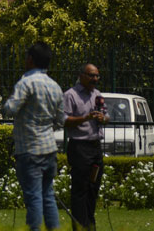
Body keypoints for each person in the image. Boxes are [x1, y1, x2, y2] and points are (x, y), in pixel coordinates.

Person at [3, 42, 66, 231]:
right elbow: (61, 119)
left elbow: (10, 109)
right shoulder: (55, 86)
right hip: (49, 148)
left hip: (29, 149)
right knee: (48, 196)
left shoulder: (26, 83)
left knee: (34, 198)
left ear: (30, 59)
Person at [63, 64, 108, 231]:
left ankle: (90, 225)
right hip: (80, 148)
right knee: (80, 190)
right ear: (81, 75)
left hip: (95, 148)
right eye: (91, 75)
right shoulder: (70, 95)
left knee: (93, 188)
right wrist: (85, 118)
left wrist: (103, 118)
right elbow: (64, 120)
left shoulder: (97, 95)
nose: (95, 79)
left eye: (97, 76)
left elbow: (107, 115)